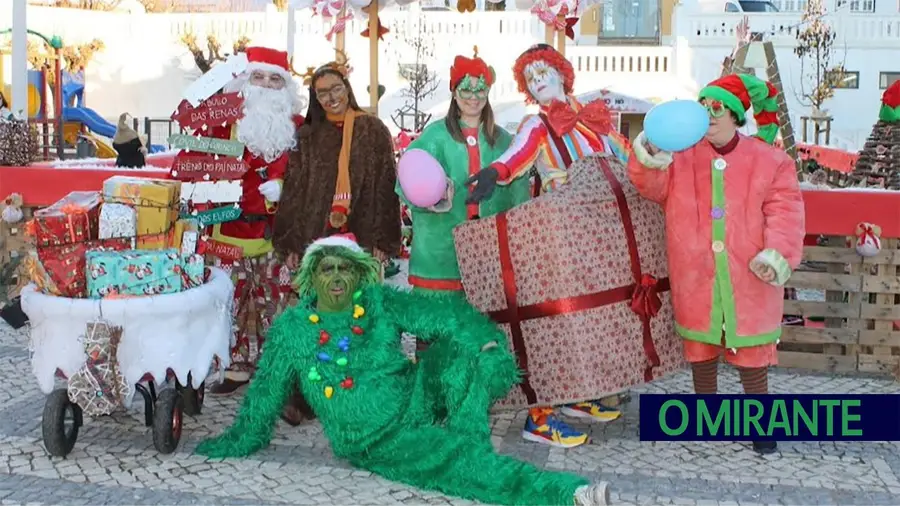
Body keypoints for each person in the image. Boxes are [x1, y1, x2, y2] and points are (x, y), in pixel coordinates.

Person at [195, 235, 612, 506]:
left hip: (414, 395)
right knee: (452, 460)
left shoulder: (378, 301)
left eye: (345, 268)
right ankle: (567, 494)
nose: (337, 277)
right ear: (311, 277)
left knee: (459, 351)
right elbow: (265, 392)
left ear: (359, 273)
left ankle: (470, 438)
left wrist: (485, 344)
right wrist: (237, 439)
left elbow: (444, 316)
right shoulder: (291, 330)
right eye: (328, 268)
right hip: (375, 438)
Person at [627, 73, 805, 454]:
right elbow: (649, 186)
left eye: (718, 107)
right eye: (703, 106)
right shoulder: (680, 158)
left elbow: (786, 212)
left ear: (736, 114)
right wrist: (650, 152)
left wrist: (776, 255)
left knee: (752, 353)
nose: (708, 114)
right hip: (697, 274)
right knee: (701, 348)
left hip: (750, 273)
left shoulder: (770, 161)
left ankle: (761, 425)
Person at [465, 43, 626, 448]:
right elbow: (516, 157)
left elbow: (628, 159)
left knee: (592, 318)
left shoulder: (596, 121)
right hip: (560, 234)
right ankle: (540, 416)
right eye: (531, 79)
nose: (539, 83)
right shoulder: (537, 125)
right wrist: (493, 172)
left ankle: (578, 396)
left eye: (544, 73)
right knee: (552, 323)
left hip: (602, 237)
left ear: (563, 74)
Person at [273, 60, 401, 424]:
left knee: (358, 320)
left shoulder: (373, 130)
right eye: (322, 92)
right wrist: (291, 243)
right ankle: (306, 396)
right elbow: (294, 191)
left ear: (348, 87)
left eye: (336, 89)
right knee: (316, 319)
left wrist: (383, 239)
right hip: (317, 239)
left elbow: (385, 187)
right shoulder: (308, 136)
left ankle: (357, 398)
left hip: (359, 239)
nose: (331, 98)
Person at [206, 46, 306, 396]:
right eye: (258, 77)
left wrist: (287, 188)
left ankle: (274, 367)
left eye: (275, 78)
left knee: (275, 302)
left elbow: (313, 178)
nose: (265, 85)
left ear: (287, 88)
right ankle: (235, 365)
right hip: (229, 229)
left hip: (276, 234)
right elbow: (201, 165)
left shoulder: (300, 129)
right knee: (231, 301)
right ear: (246, 82)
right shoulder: (224, 125)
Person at [397, 48, 531, 293]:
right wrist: (433, 196)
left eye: (480, 89)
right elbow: (406, 181)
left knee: (483, 327)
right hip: (439, 257)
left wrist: (522, 242)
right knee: (438, 326)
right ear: (454, 93)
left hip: (490, 259)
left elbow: (520, 195)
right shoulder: (434, 136)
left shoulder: (503, 141)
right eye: (466, 89)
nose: (473, 97)